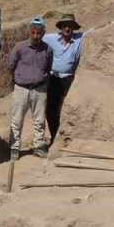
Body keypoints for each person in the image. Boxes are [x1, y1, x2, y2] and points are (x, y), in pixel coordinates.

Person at [7, 17, 54, 161]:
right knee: (17, 119)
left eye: (39, 33)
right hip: (21, 88)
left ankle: (38, 147)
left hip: (39, 89)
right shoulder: (20, 47)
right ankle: (14, 148)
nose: (36, 36)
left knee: (39, 120)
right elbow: (10, 65)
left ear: (43, 33)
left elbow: (48, 67)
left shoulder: (48, 49)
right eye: (33, 33)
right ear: (29, 32)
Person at [42, 14, 83, 143]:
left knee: (68, 108)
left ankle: (69, 137)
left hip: (69, 79)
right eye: (65, 25)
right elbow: (36, 36)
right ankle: (55, 137)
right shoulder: (50, 38)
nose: (67, 28)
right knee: (51, 109)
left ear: (74, 28)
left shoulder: (79, 39)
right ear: (60, 27)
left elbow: (94, 31)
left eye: (70, 26)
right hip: (53, 78)